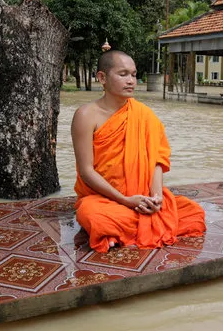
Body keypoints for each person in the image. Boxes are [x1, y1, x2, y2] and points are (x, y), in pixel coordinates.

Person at [71, 50, 206, 253]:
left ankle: (121, 232)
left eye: (134, 75)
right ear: (102, 78)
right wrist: (125, 200)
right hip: (104, 198)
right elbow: (86, 171)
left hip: (142, 197)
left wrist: (156, 198)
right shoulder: (86, 115)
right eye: (123, 74)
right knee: (91, 214)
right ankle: (129, 227)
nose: (131, 81)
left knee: (193, 212)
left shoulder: (144, 115)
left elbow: (156, 161)